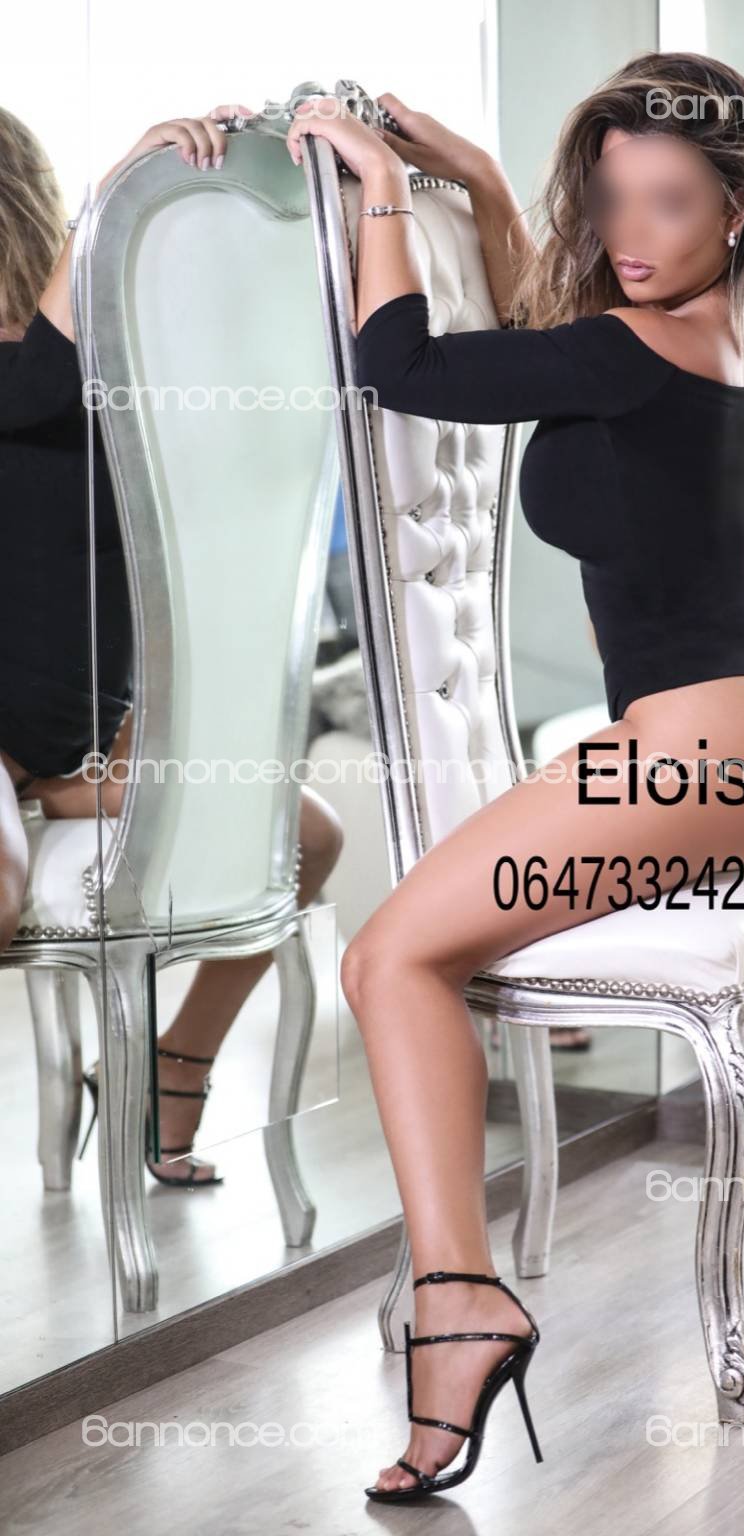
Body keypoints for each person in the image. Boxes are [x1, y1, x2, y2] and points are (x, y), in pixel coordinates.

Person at [286, 51, 744, 1500]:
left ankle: (460, 1310)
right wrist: (486, 184)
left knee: (386, 961)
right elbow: (559, 334)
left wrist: (382, 190)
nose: (630, 231)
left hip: (713, 742)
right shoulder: (718, 321)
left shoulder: (626, 344)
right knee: (664, 900)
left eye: (667, 202)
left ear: (734, 211)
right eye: (611, 197)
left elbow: (402, 366)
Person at [0, 106, 344, 1184]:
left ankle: (172, 1065)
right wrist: (117, 194)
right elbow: (31, 386)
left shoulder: (110, 348)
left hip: (80, 730)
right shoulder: (51, 364)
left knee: (305, 835)